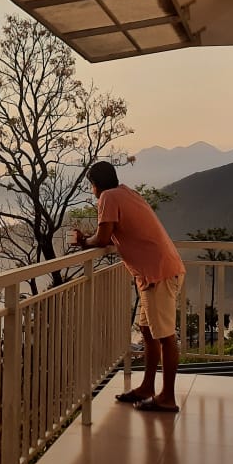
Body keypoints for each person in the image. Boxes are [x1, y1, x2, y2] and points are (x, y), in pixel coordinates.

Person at [72, 161, 186, 413]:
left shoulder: (108, 197)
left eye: (91, 186)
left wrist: (84, 242)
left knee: (166, 337)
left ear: (96, 184)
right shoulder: (126, 192)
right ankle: (147, 387)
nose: (92, 191)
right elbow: (111, 232)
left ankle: (167, 397)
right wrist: (92, 238)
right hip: (156, 273)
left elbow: (103, 238)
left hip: (158, 274)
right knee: (147, 331)